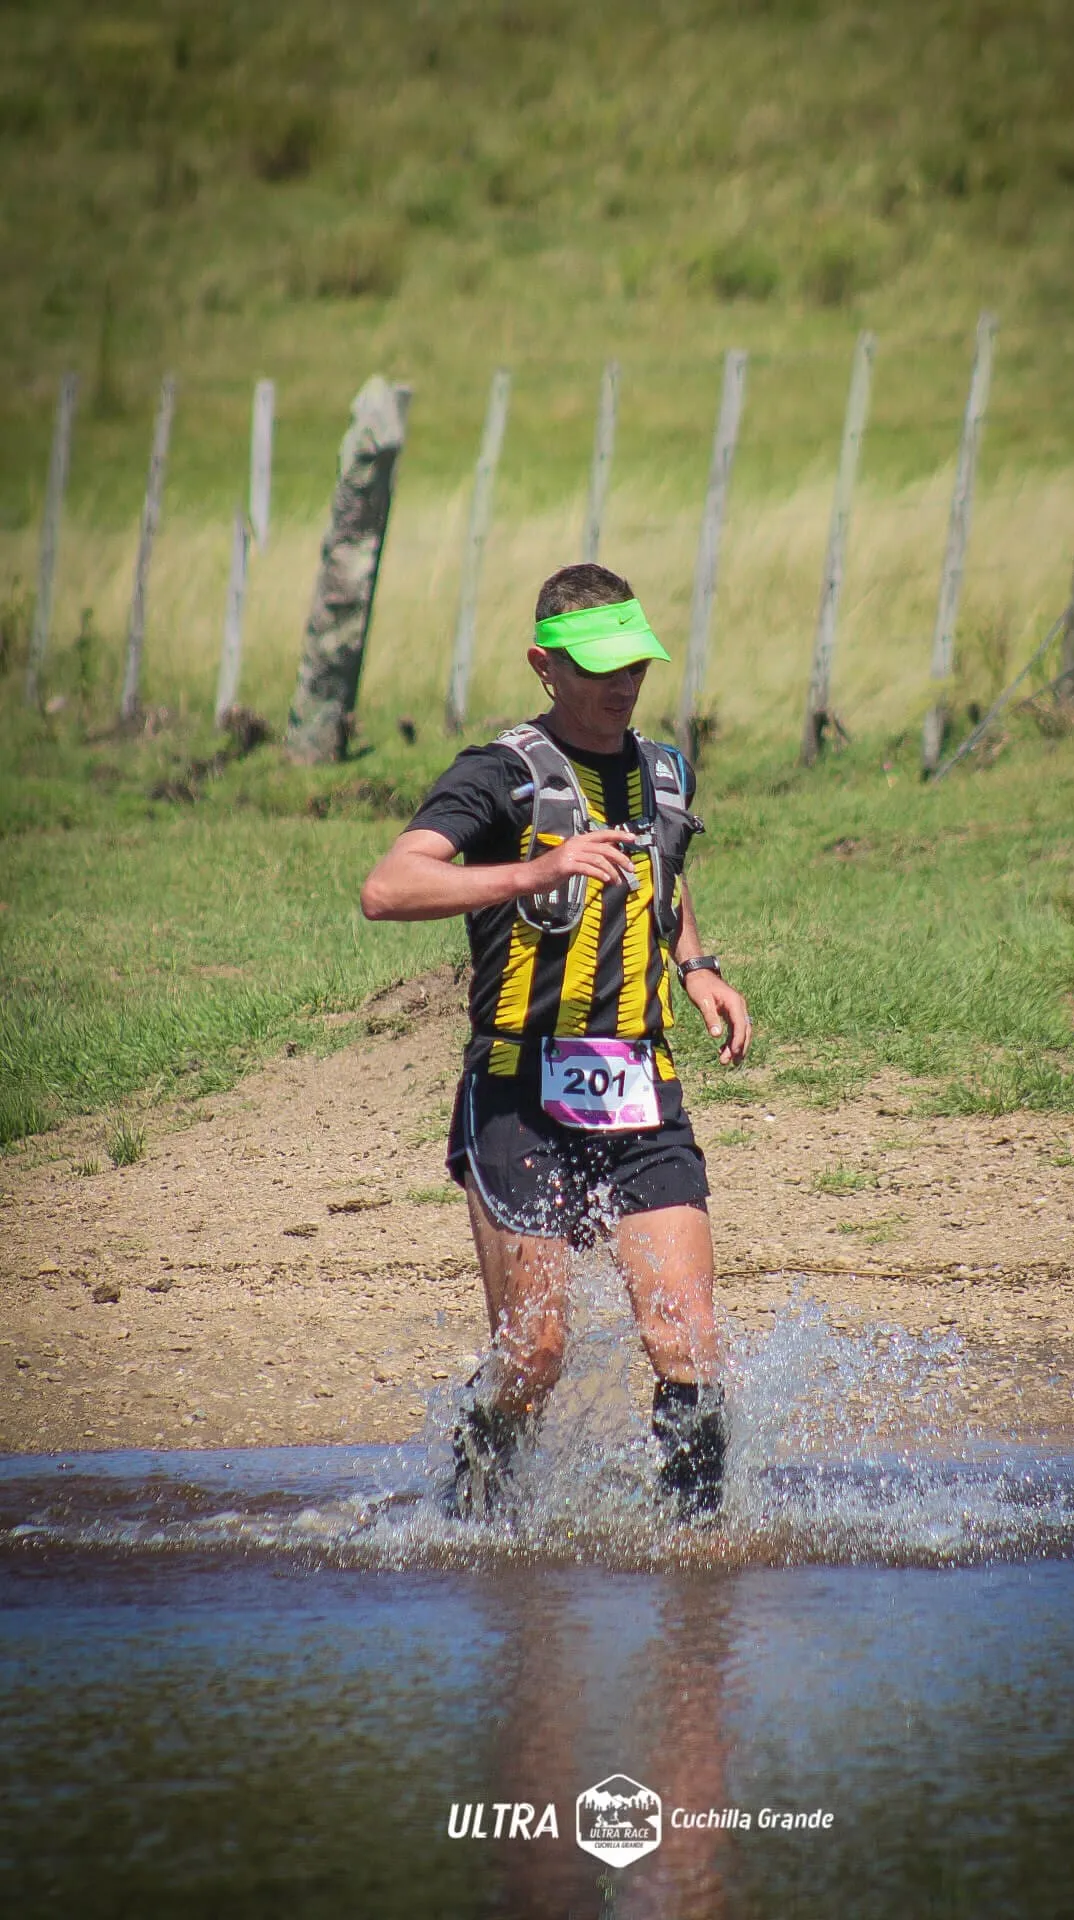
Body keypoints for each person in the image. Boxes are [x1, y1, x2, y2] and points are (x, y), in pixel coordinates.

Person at [360, 563, 751, 1520]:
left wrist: (696, 968)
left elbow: (663, 869)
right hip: (517, 1098)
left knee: (690, 1347)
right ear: (545, 664)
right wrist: (531, 872)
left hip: (640, 1087)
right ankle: (470, 1519)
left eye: (637, 667)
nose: (623, 686)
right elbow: (389, 888)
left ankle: (694, 1556)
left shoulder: (665, 771)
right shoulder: (497, 774)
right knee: (534, 1357)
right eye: (600, 668)